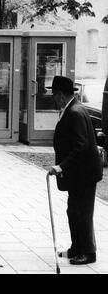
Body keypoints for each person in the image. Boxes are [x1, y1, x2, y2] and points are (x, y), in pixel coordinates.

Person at [48, 75, 103, 265]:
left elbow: (81, 145)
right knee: (74, 211)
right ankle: (77, 247)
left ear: (62, 95)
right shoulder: (71, 108)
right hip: (79, 173)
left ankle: (89, 252)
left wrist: (61, 166)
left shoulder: (75, 112)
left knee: (82, 212)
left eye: (54, 94)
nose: (53, 98)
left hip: (85, 174)